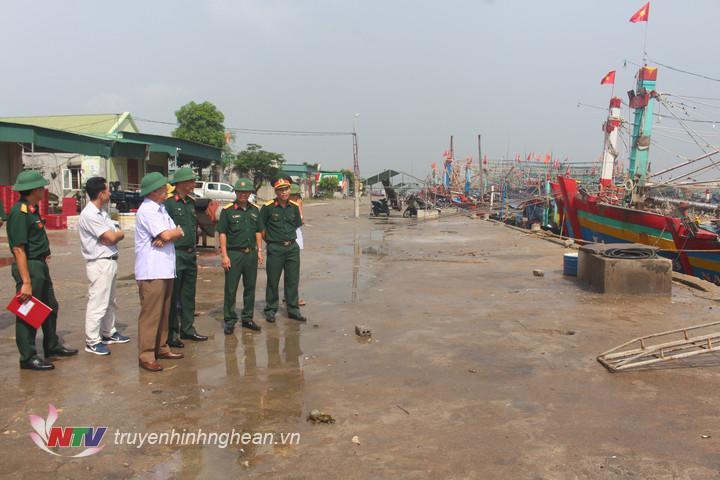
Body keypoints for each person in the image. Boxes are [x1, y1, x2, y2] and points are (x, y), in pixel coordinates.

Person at [7, 170, 78, 370]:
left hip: (39, 265)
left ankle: (51, 345)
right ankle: (28, 357)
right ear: (33, 190)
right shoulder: (19, 212)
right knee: (28, 312)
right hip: (29, 267)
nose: (43, 189)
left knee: (50, 307)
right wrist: (26, 282)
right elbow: (18, 249)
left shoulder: (31, 209)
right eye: (41, 187)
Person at [134, 172, 185, 372]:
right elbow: (167, 233)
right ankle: (146, 354)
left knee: (164, 312)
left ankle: (161, 347)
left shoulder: (161, 208)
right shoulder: (147, 210)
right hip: (151, 270)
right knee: (151, 314)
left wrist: (172, 234)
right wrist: (169, 235)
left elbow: (177, 231)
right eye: (164, 188)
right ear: (155, 191)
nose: (167, 191)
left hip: (165, 267)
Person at [78, 177, 129, 356]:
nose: (110, 193)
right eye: (107, 191)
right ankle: (92, 341)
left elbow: (114, 230)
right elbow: (111, 237)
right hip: (99, 262)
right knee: (98, 303)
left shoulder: (102, 212)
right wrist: (117, 234)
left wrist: (116, 233)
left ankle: (109, 332)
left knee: (109, 301)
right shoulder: (90, 214)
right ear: (101, 194)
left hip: (110, 259)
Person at [165, 167, 207, 347]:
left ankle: (188, 329)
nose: (193, 184)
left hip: (190, 254)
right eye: (190, 181)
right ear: (181, 183)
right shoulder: (169, 203)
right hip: (176, 254)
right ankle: (172, 333)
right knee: (174, 296)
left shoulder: (191, 202)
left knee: (189, 295)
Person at [217, 178, 264, 334]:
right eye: (240, 191)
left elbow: (258, 231)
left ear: (250, 193)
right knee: (231, 289)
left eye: (246, 192)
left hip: (250, 254)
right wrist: (224, 255)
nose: (243, 194)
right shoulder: (228, 211)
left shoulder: (255, 210)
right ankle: (229, 321)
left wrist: (259, 250)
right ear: (236, 193)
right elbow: (222, 233)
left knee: (250, 287)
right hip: (234, 254)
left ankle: (247, 318)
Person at [260, 178, 306, 323]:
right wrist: (272, 242)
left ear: (289, 190)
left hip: (292, 247)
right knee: (273, 280)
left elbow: (298, 225)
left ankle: (293, 310)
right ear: (276, 191)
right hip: (276, 248)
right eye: (281, 190)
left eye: (286, 189)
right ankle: (271, 309)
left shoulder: (293, 207)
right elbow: (261, 229)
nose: (284, 192)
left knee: (292, 280)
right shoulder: (267, 208)